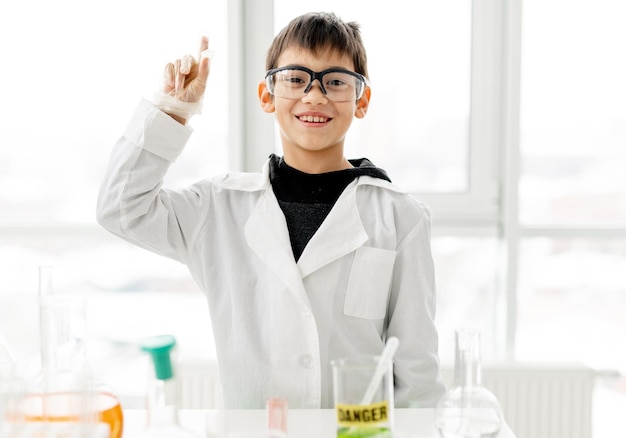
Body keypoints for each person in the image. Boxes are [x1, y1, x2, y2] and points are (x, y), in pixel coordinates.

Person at [97, 11, 446, 409]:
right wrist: (172, 112)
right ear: (267, 96)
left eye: (335, 82)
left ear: (361, 99)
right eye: (296, 79)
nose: (314, 95)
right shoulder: (219, 207)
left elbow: (418, 378)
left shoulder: (401, 218)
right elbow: (120, 207)